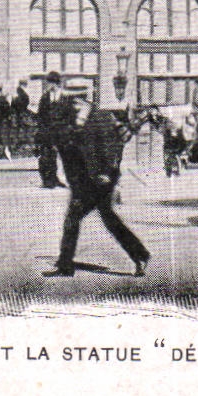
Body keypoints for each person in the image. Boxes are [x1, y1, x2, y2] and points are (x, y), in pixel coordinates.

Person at [47, 97, 149, 277]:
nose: (74, 108)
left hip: (100, 180)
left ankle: (65, 265)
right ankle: (140, 255)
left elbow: (112, 148)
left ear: (85, 102)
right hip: (87, 182)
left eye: (76, 103)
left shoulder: (100, 118)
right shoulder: (76, 124)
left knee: (73, 219)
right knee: (109, 219)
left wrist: (107, 173)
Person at [35, 72, 66, 189]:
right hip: (47, 132)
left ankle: (57, 179)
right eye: (48, 83)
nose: (48, 85)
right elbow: (40, 115)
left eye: (50, 83)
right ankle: (47, 180)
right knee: (46, 157)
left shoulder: (64, 97)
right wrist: (42, 130)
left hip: (60, 132)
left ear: (56, 83)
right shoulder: (45, 97)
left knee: (60, 157)